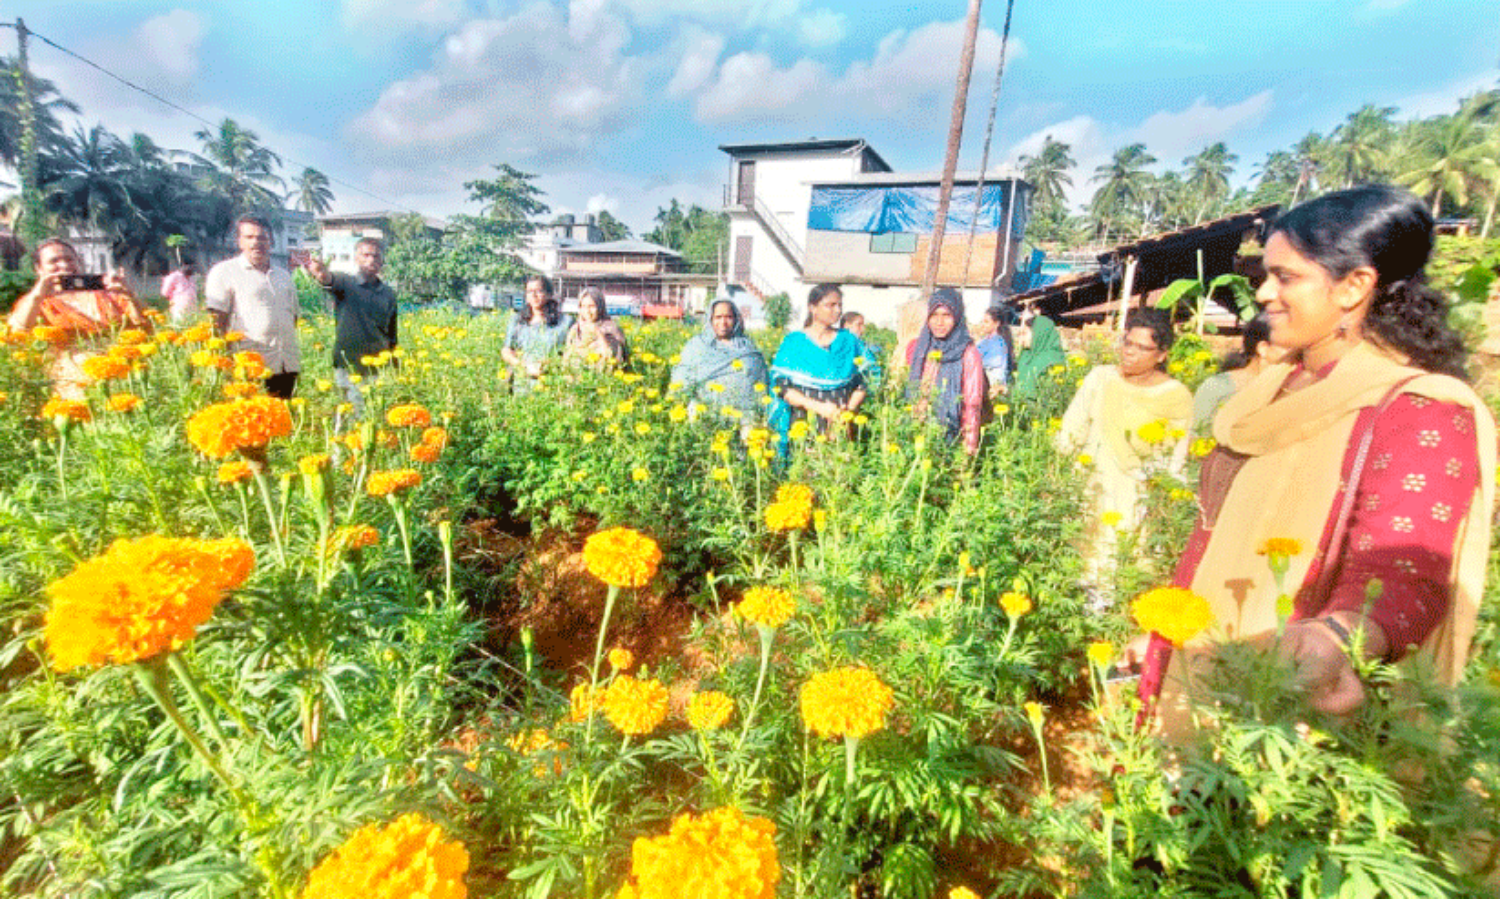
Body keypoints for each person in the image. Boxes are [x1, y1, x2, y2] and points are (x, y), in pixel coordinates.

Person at [1129, 186, 1495, 730]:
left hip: (1290, 702)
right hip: (1201, 660)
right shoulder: (1271, 391)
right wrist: (1169, 633)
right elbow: (1214, 536)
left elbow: (1405, 568)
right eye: (1266, 275)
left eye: (1287, 277)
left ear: (1354, 286)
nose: (1265, 294)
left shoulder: (1417, 410)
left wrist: (1337, 638)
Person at [1056, 307, 1192, 606]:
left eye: (1142, 347)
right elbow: (1071, 428)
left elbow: (1176, 456)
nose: (1129, 352)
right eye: (1127, 342)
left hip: (1134, 494)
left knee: (1120, 567)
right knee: (1081, 559)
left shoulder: (1174, 396)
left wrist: (1163, 500)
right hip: (1089, 487)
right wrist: (1058, 476)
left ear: (1162, 354)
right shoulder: (1100, 378)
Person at [5, 238, 146, 397]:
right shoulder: (38, 303)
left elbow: (143, 328)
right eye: (54, 261)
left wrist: (128, 294)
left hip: (119, 379)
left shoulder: (106, 295)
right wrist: (39, 293)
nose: (64, 265)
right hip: (72, 386)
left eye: (69, 259)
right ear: (39, 268)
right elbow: (16, 331)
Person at [206, 215, 301, 399]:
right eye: (249, 237)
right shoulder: (224, 272)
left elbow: (293, 317)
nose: (256, 242)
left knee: (284, 421)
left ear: (271, 241)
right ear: (239, 241)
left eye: (262, 238)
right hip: (249, 369)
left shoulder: (283, 276)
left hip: (286, 364)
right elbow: (216, 323)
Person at [306, 238, 398, 419]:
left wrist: (394, 366)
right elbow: (328, 280)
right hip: (348, 365)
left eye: (376, 256)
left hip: (378, 368)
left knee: (374, 417)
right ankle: (338, 448)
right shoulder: (345, 283)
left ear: (381, 261)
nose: (371, 260)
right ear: (356, 258)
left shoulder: (388, 294)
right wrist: (321, 274)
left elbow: (392, 333)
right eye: (365, 255)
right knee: (348, 415)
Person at [768, 284, 867, 445]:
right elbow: (782, 387)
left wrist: (845, 414)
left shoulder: (849, 341)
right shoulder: (794, 342)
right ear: (812, 308)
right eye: (831, 305)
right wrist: (818, 408)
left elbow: (863, 382)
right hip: (804, 423)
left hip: (840, 423)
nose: (837, 310)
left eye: (840, 305)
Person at [902, 287, 987, 454]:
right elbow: (915, 389)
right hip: (921, 430)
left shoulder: (967, 352)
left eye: (946, 315)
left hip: (952, 434)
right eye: (934, 315)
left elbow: (972, 402)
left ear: (957, 316)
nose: (939, 322)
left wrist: (969, 445)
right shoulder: (923, 347)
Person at [671, 297, 769, 416]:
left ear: (736, 319)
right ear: (710, 319)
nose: (723, 323)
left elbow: (761, 378)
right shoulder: (697, 346)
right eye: (718, 317)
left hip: (746, 415)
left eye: (728, 317)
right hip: (706, 414)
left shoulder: (747, 346)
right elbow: (681, 379)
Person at [1190, 315, 1285, 431]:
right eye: (1290, 347)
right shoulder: (1217, 388)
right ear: (1263, 348)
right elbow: (1198, 437)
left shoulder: (1293, 386)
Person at [501, 274, 570, 392]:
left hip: (551, 384)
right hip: (522, 384)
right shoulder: (518, 321)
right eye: (529, 292)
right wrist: (522, 366)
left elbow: (570, 352)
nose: (534, 295)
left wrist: (551, 364)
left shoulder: (564, 322)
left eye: (538, 291)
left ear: (549, 294)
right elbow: (507, 350)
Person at [563, 286, 629, 369]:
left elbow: (615, 359)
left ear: (600, 307)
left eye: (592, 306)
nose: (587, 311)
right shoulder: (575, 330)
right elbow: (567, 358)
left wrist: (598, 334)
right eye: (583, 306)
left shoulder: (611, 329)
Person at [1012, 312, 1067, 399]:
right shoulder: (1026, 355)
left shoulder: (1052, 361)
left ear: (1038, 333)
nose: (1021, 340)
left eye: (1024, 334)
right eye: (1020, 335)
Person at [973, 306, 1015, 394]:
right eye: (982, 321)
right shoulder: (987, 340)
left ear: (996, 324)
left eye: (986, 322)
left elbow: (979, 361)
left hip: (994, 388)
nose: (982, 325)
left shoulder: (998, 343)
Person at [840, 310, 883, 389]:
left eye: (863, 325)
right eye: (859, 325)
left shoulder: (861, 344)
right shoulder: (844, 343)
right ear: (846, 326)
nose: (863, 328)